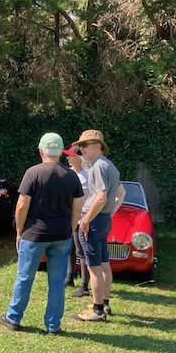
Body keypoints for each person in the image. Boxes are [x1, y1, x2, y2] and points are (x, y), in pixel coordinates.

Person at [0, 133, 83, 335]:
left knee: (25, 277)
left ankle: (13, 318)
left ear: (41, 151)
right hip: (61, 235)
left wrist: (19, 231)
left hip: (34, 235)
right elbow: (78, 209)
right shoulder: (72, 176)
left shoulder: (33, 173)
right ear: (62, 153)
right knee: (57, 282)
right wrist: (70, 230)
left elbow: (21, 206)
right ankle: (53, 325)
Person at [71, 130, 125, 321]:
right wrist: (109, 213)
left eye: (85, 145)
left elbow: (100, 197)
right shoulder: (110, 166)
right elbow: (121, 193)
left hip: (93, 220)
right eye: (80, 145)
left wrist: (85, 220)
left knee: (94, 266)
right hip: (102, 220)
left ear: (98, 146)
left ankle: (97, 310)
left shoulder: (98, 167)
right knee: (103, 263)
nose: (81, 149)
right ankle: (104, 302)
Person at [62, 146, 91, 297]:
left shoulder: (87, 176)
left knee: (81, 251)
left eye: (71, 156)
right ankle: (69, 277)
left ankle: (84, 286)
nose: (68, 158)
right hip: (71, 217)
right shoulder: (69, 173)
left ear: (79, 158)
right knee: (70, 248)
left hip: (82, 219)